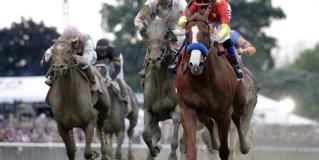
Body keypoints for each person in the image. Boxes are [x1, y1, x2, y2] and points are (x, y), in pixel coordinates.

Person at [171, 0, 244, 79]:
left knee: (224, 38)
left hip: (217, 19)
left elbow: (225, 30)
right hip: (202, 19)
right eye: (200, 6)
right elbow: (181, 22)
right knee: (191, 34)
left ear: (211, 4)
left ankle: (236, 66)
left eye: (205, 6)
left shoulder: (221, 5)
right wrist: (188, 21)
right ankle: (177, 61)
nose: (202, 9)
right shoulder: (194, 4)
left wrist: (216, 37)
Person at [134, 0, 187, 77]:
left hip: (177, 29)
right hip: (160, 28)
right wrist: (142, 30)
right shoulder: (151, 2)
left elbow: (187, 26)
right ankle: (146, 65)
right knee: (153, 40)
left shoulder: (182, 4)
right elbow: (138, 19)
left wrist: (173, 33)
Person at [40, 26, 98, 90]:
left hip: (88, 56)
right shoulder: (62, 38)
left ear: (79, 38)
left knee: (85, 65)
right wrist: (45, 59)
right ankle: (53, 76)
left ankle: (93, 81)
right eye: (70, 42)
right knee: (58, 56)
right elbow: (52, 49)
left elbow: (86, 60)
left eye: (74, 42)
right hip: (71, 54)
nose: (72, 44)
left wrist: (73, 57)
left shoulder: (87, 39)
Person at [95, 38, 130, 105]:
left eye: (104, 50)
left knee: (119, 79)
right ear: (97, 49)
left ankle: (125, 96)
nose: (102, 52)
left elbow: (118, 69)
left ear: (108, 49)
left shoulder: (114, 53)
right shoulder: (94, 52)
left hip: (114, 63)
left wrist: (110, 78)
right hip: (104, 63)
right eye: (100, 50)